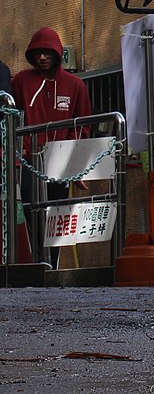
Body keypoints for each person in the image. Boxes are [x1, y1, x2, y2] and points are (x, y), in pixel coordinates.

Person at [11, 27, 92, 265]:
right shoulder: (21, 81)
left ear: (57, 54)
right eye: (38, 53)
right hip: (27, 161)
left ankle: (51, 264)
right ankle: (34, 263)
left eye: (48, 53)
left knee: (56, 216)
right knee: (29, 213)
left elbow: (82, 128)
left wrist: (77, 167)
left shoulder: (75, 86)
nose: (43, 57)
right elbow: (11, 117)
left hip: (60, 161)